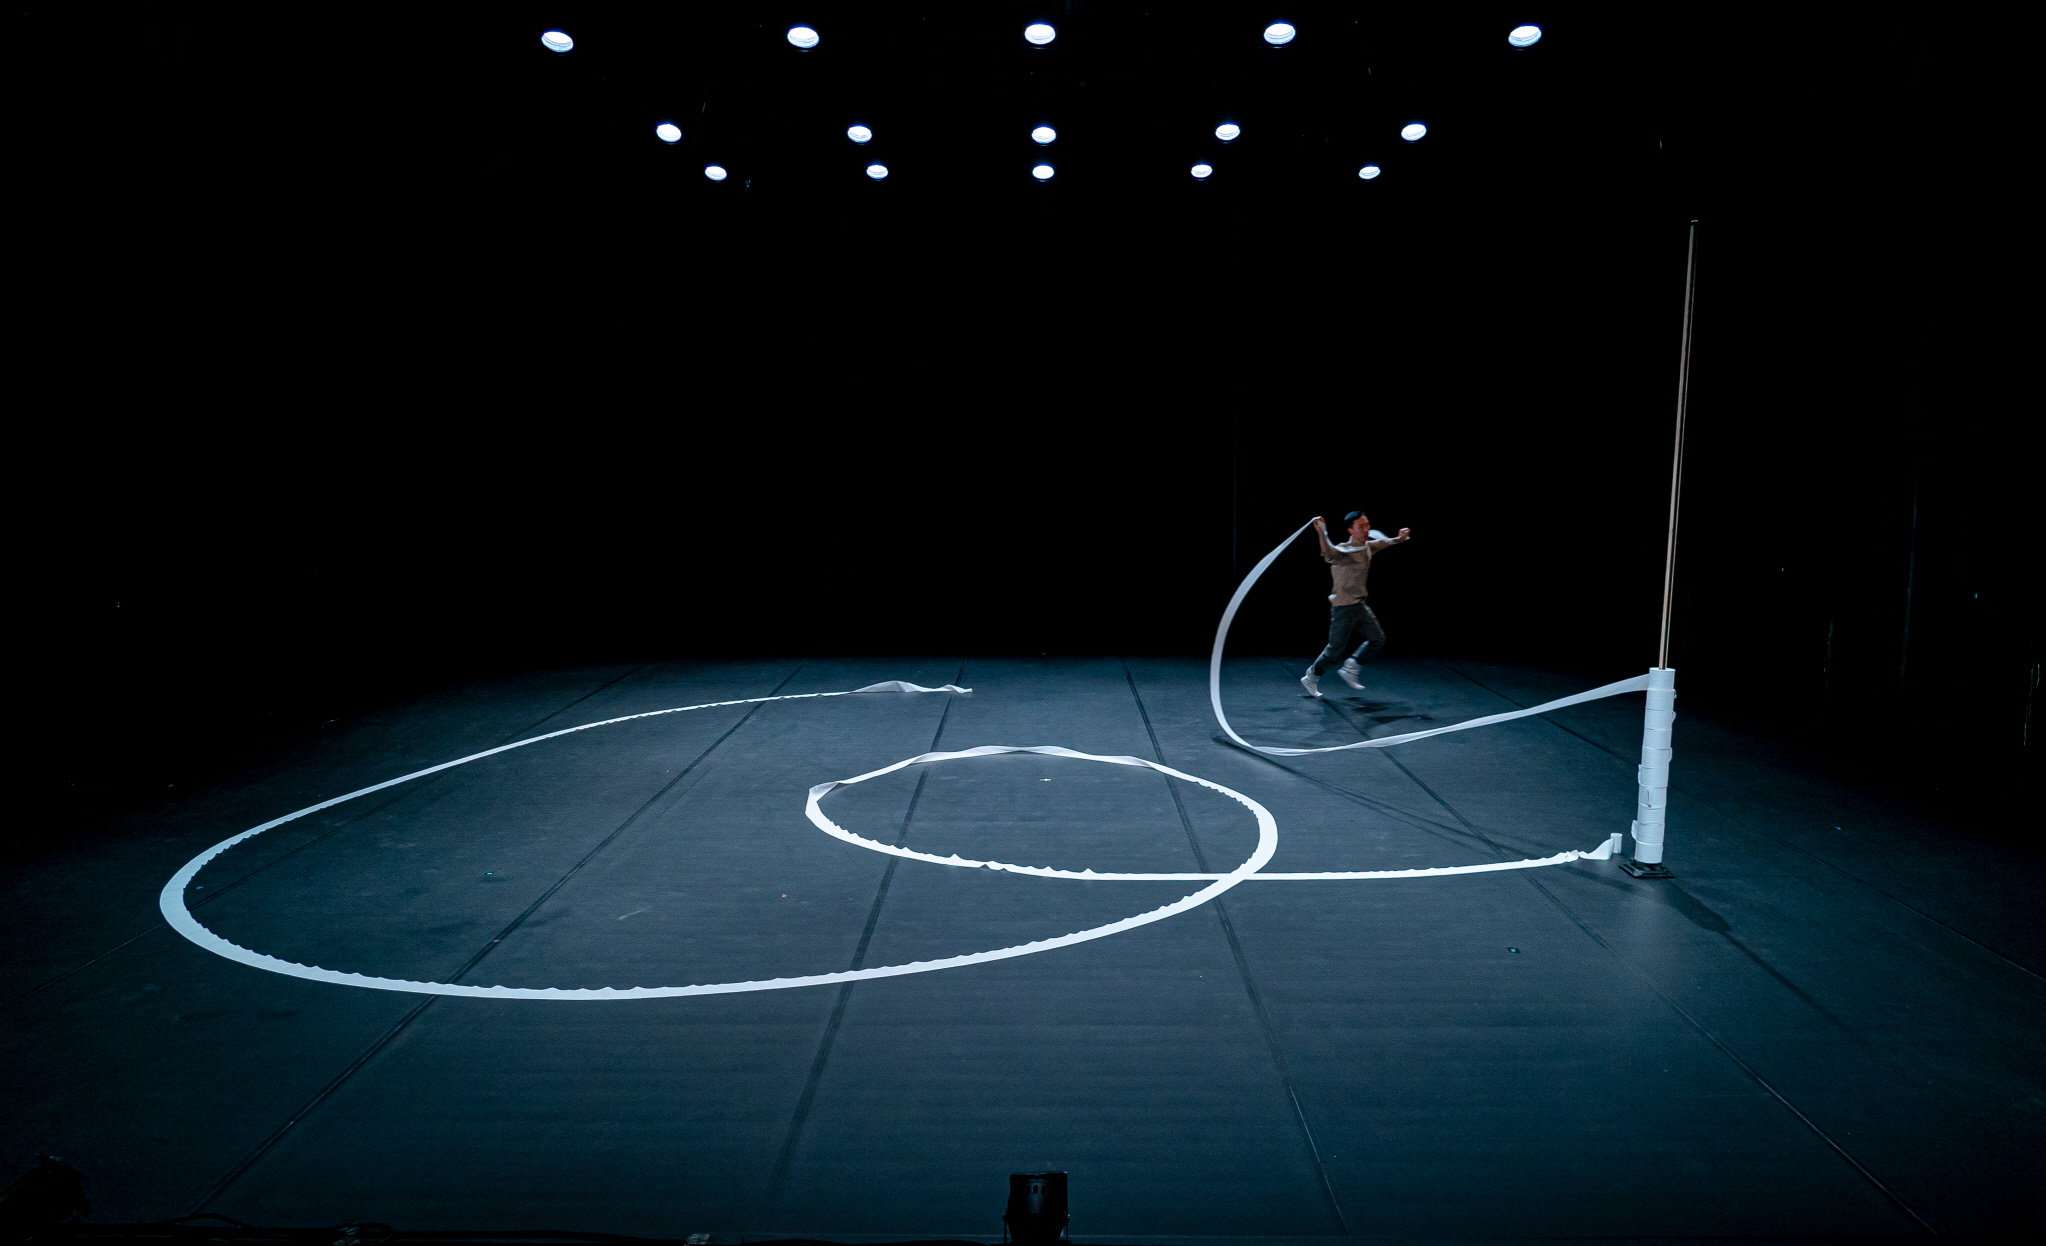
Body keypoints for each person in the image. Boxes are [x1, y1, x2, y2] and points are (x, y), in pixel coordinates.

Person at [1302, 511, 1411, 698]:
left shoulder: (1367, 546)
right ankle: (1311, 676)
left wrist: (1400, 538)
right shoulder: (1343, 551)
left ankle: (1351, 667)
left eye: (1367, 525)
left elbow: (1385, 542)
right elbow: (1328, 553)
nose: (1366, 529)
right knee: (1334, 653)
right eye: (1361, 526)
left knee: (1378, 639)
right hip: (1343, 608)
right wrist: (1322, 532)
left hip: (1360, 606)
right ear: (1350, 530)